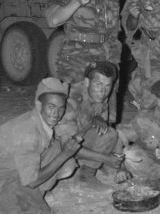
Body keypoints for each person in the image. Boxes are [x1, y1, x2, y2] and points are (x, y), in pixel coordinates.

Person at [0, 78, 81, 214]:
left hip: (8, 170)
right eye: (51, 106)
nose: (56, 113)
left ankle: (32, 196)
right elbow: (33, 181)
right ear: (39, 105)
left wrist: (65, 152)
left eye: (61, 108)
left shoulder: (39, 120)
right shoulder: (29, 132)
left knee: (62, 158)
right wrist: (65, 154)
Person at [45, 0, 121, 122]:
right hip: (77, 55)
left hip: (106, 54)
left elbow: (114, 25)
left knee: (102, 112)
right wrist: (77, 1)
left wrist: (115, 60)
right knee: (72, 110)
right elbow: (52, 20)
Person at [54, 61, 129, 191]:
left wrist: (120, 166)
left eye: (107, 86)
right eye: (98, 84)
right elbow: (66, 147)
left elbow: (110, 133)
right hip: (56, 149)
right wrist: (105, 158)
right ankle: (84, 175)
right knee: (67, 168)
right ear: (87, 82)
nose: (103, 91)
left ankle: (89, 168)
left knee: (109, 133)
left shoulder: (99, 97)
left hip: (79, 139)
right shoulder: (70, 102)